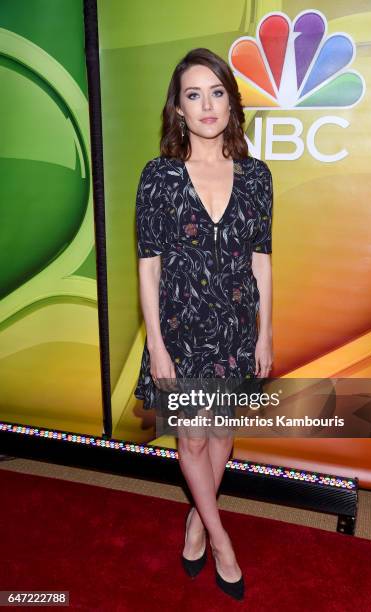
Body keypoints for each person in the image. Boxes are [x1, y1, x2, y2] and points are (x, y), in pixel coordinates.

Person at [134, 47, 273, 600]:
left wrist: (266, 331)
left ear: (231, 105)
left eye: (216, 92)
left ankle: (196, 519)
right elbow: (147, 270)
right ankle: (220, 539)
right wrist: (157, 345)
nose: (207, 104)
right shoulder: (160, 177)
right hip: (182, 329)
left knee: (222, 436)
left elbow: (261, 260)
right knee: (190, 438)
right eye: (194, 94)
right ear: (179, 109)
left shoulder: (257, 176)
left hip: (238, 327)